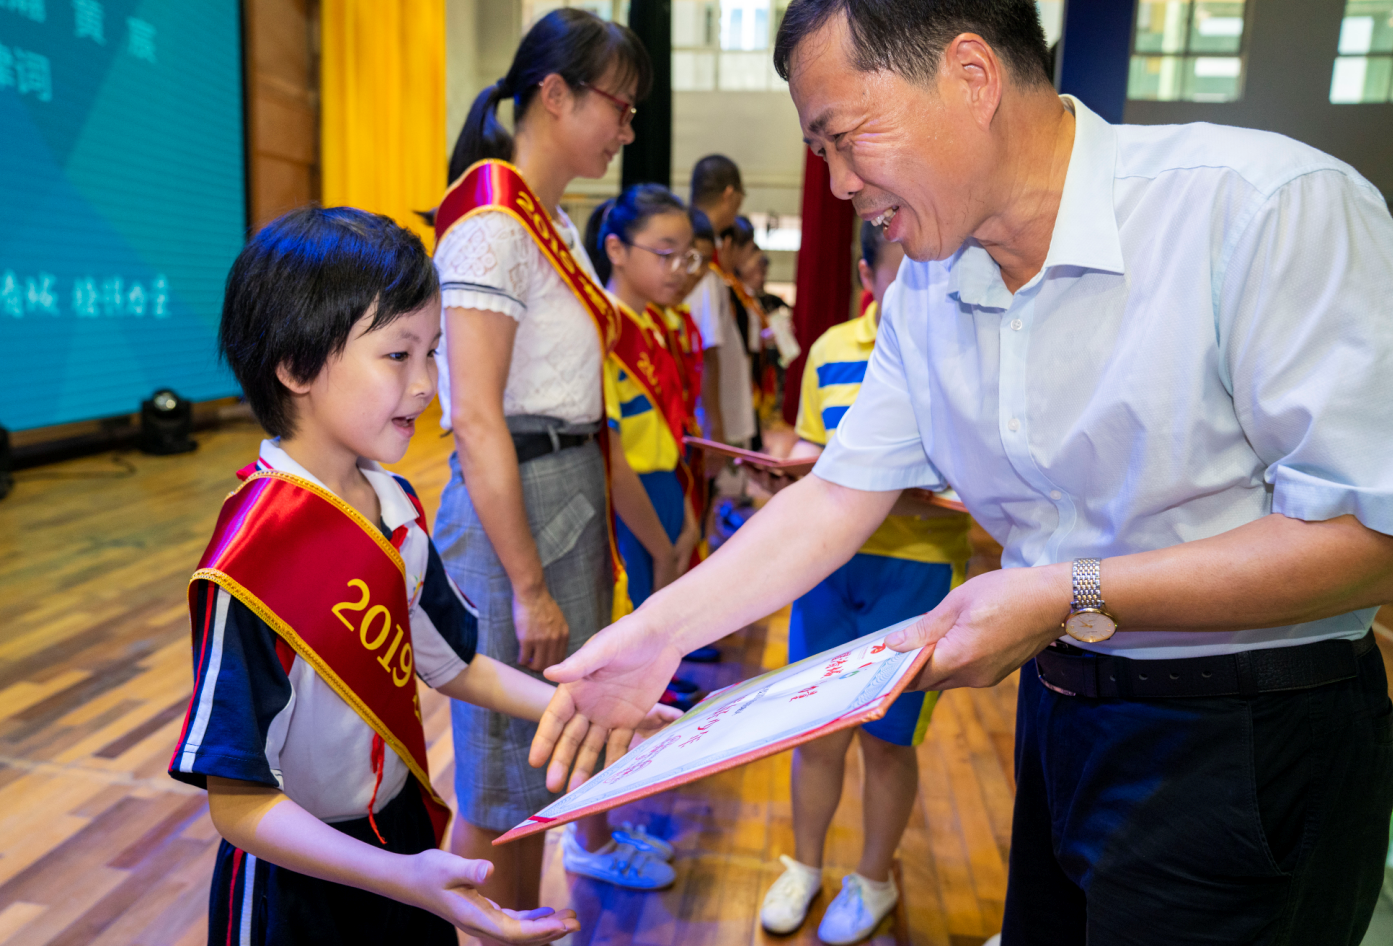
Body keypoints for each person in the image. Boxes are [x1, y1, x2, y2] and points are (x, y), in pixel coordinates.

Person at [530, 2, 1393, 944]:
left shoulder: (1260, 209)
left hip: (1251, 735)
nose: (837, 184)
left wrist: (1060, 594)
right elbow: (835, 492)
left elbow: (1366, 540)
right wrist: (655, 636)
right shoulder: (930, 285)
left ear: (971, 77)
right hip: (1061, 709)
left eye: (843, 138)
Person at [170, 206, 589, 945]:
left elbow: (454, 665)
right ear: (297, 366)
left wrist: (581, 709)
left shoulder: (395, 506)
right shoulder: (251, 559)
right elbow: (237, 803)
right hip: (294, 871)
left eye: (433, 354)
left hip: (400, 837)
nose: (428, 385)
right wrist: (402, 877)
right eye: (399, 355)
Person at [429, 8, 675, 911]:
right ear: (555, 94)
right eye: (620, 105)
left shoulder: (551, 224)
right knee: (499, 781)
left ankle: (519, 917)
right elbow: (481, 422)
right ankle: (494, 927)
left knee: (533, 762)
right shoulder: (493, 225)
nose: (626, 128)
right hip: (516, 510)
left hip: (557, 492)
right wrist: (527, 585)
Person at [759, 220, 971, 944]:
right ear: (865, 273)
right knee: (814, 733)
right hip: (827, 566)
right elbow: (815, 446)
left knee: (888, 741)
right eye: (899, 271)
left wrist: (915, 487)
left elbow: (981, 478)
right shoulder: (828, 350)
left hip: (916, 569)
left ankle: (875, 878)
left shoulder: (962, 354)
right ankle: (804, 866)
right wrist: (789, 467)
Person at [584, 186, 703, 609]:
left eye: (686, 256)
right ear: (616, 249)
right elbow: (613, 459)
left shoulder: (654, 324)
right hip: (630, 510)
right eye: (664, 254)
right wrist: (662, 548)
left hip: (667, 492)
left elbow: (669, 429)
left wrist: (687, 523)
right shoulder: (600, 332)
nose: (679, 270)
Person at [685, 155, 754, 449]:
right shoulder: (704, 261)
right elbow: (707, 350)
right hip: (702, 415)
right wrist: (715, 424)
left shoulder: (698, 249)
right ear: (730, 194)